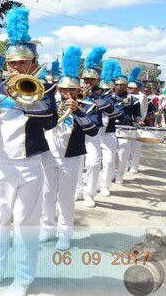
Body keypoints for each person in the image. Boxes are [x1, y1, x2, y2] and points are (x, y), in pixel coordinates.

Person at [0, 7, 57, 296]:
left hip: (31, 163)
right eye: (12, 63)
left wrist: (18, 102)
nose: (17, 68)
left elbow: (50, 118)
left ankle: (23, 278)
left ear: (32, 63)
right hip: (0, 164)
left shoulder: (44, 89)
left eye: (23, 63)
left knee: (26, 223)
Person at [40, 46, 98, 251]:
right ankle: (47, 228)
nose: (66, 93)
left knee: (65, 196)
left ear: (77, 90)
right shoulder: (50, 104)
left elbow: (92, 131)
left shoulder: (88, 106)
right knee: (46, 194)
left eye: (70, 90)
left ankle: (65, 233)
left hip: (70, 156)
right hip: (48, 154)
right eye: (63, 90)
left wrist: (79, 112)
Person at [75, 47, 117, 208]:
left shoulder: (104, 93)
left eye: (91, 80)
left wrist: (92, 95)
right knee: (77, 162)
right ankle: (78, 189)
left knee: (92, 163)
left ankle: (89, 193)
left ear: (97, 79)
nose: (87, 82)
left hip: (95, 131)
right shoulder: (74, 88)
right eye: (85, 79)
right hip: (77, 129)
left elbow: (112, 110)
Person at [109, 63, 143, 185]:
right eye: (116, 84)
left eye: (121, 84)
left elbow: (137, 113)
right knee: (110, 153)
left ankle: (120, 174)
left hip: (126, 128)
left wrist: (139, 120)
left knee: (123, 153)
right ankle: (111, 173)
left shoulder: (133, 100)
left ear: (126, 85)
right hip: (110, 128)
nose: (118, 86)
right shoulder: (109, 97)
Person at [126, 69, 155, 174]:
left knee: (137, 146)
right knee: (126, 145)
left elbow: (145, 111)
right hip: (127, 124)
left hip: (139, 123)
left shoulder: (143, 97)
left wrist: (142, 121)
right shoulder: (125, 96)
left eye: (133, 88)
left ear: (138, 88)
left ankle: (134, 165)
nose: (130, 89)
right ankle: (126, 164)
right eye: (129, 87)